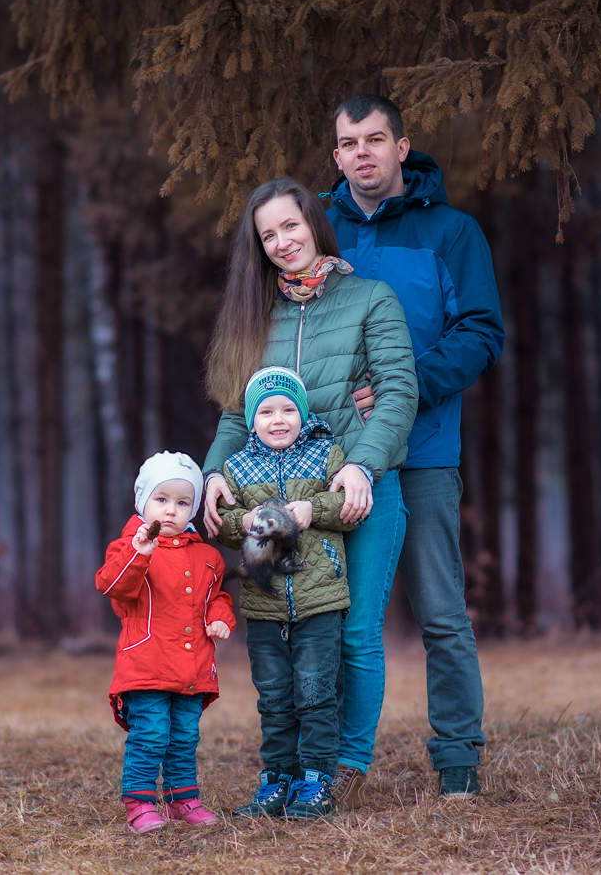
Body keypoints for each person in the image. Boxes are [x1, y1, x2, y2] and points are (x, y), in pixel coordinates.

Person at [201, 176, 418, 810]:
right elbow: (236, 416)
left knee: (353, 633)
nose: (281, 242)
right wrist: (215, 472)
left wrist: (365, 465)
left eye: (290, 226)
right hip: (275, 509)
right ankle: (292, 772)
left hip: (356, 492)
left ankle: (345, 767)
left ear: (315, 224)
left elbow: (398, 391)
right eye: (267, 235)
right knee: (283, 642)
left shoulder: (371, 298)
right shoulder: (255, 315)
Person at [327, 94, 505, 799]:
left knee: (440, 610)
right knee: (328, 613)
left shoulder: (452, 232)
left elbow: (481, 333)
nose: (362, 153)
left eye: (376, 139)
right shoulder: (318, 228)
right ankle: (326, 761)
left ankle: (458, 758)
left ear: (404, 147)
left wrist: (406, 386)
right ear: (336, 155)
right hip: (330, 456)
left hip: (423, 448)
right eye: (349, 143)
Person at [214, 366, 355, 819]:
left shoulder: (326, 455)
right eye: (267, 411)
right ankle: (278, 780)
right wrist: (248, 521)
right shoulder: (237, 468)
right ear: (252, 420)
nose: (279, 419)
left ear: (303, 413)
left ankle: (316, 782)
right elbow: (226, 526)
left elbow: (351, 511)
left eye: (289, 409)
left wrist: (314, 510)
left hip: (318, 600)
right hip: (265, 602)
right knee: (273, 696)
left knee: (315, 692)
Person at [96, 450, 236, 834]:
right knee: (152, 732)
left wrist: (220, 617)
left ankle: (182, 799)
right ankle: (139, 803)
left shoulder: (207, 556)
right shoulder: (129, 549)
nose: (171, 510)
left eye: (182, 502)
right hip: (147, 665)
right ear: (144, 501)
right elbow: (112, 585)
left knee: (184, 735)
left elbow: (216, 597)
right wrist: (139, 553)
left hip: (192, 666)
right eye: (161, 500)